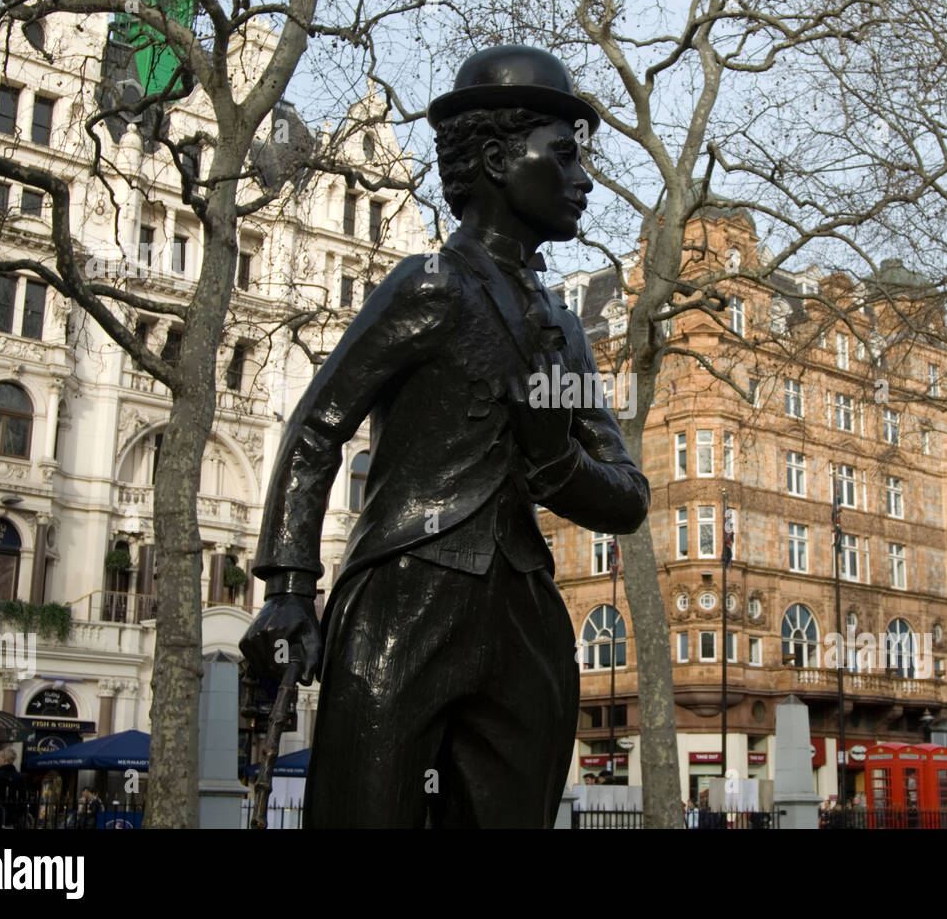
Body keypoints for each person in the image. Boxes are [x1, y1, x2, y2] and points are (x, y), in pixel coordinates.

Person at [240, 45, 650, 828]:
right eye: (563, 156)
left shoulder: (566, 333)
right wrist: (290, 588)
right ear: (497, 158)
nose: (585, 180)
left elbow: (626, 496)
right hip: (405, 597)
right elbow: (319, 426)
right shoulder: (431, 286)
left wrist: (553, 456)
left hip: (524, 616)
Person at [0, 748, 24, 828]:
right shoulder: (19, 777)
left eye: (0, 757)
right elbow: (23, 798)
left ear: (5, 760)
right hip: (12, 818)